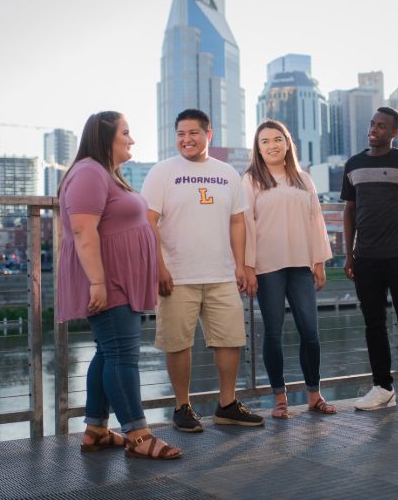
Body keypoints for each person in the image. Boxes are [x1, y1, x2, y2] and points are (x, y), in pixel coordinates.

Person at [57, 111, 181, 460]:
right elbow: (83, 231)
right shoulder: (88, 173)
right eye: (126, 133)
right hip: (107, 278)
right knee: (123, 355)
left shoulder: (105, 173)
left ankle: (96, 430)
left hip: (116, 278)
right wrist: (98, 282)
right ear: (105, 137)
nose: (132, 139)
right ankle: (138, 435)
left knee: (108, 351)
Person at [143, 108, 264, 432]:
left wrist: (240, 265)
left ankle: (226, 405)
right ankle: (182, 406)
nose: (186, 139)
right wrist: (159, 267)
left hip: (221, 273)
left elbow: (238, 221)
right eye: (180, 134)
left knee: (230, 340)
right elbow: (148, 221)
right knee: (177, 342)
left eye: (193, 133)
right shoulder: (162, 172)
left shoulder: (227, 173)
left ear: (208, 135)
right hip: (177, 275)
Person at [342, 107, 398, 416]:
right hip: (366, 257)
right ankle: (382, 388)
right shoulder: (353, 165)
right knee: (374, 324)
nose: (374, 129)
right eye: (372, 124)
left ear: (394, 133)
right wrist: (349, 253)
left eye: (382, 126)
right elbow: (349, 211)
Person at [242, 120, 336, 419]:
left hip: (300, 265)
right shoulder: (251, 180)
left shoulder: (303, 179)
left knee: (310, 332)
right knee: (273, 332)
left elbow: (316, 220)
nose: (272, 145)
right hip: (267, 267)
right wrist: (248, 267)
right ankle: (280, 398)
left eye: (277, 139)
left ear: (287, 143)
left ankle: (314, 394)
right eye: (265, 141)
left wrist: (319, 261)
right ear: (258, 149)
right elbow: (244, 224)